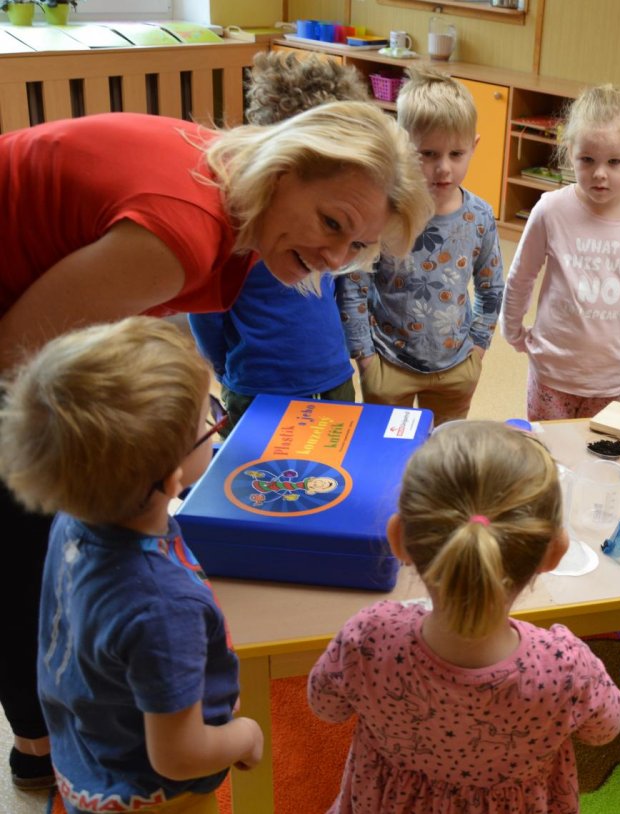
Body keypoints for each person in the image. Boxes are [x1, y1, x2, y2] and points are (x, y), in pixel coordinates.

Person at [0, 100, 431, 789]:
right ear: (285, 172)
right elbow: (19, 363)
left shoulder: (229, 172)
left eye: (357, 246)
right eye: (331, 223)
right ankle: (38, 743)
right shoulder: (181, 233)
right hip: (15, 349)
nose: (333, 259)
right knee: (25, 542)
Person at [0, 317, 263, 813]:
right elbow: (179, 755)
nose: (215, 426)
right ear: (169, 478)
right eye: (209, 421)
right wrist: (244, 735)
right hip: (156, 799)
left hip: (90, 757)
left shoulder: (72, 519)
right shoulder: (162, 607)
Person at [308, 421, 620, 812]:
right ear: (555, 552)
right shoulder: (566, 666)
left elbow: (325, 707)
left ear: (398, 539)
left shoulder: (368, 638)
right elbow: (605, 729)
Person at [189, 52, 374, 433]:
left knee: (336, 464)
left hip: (332, 378)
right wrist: (229, 369)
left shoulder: (337, 226)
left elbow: (343, 289)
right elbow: (206, 314)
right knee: (256, 469)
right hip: (258, 389)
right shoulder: (240, 231)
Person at [339, 67, 504, 425]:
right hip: (388, 363)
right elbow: (354, 285)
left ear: (474, 147)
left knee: (444, 449)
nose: (443, 168)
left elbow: (491, 288)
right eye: (428, 154)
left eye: (456, 154)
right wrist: (364, 357)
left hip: (457, 367)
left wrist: (478, 349)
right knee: (384, 447)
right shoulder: (384, 213)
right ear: (402, 147)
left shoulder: (480, 216)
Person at [500, 84, 620, 421]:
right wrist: (512, 329)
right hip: (551, 371)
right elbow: (522, 275)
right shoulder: (551, 209)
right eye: (587, 160)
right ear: (569, 151)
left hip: (609, 378)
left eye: (614, 161)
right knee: (546, 449)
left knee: (595, 452)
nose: (600, 173)